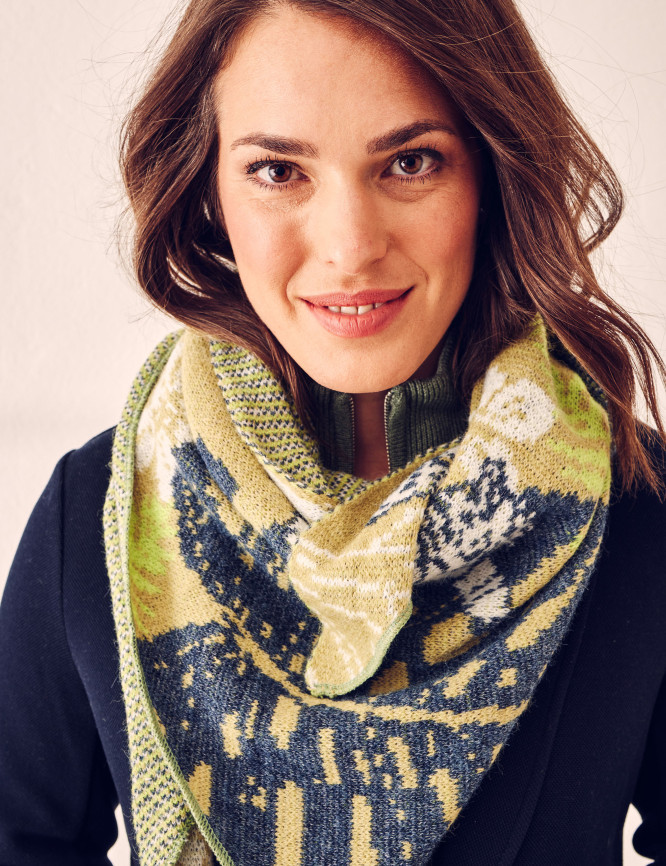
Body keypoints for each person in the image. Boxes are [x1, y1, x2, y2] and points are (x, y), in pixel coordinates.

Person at [1, 0, 665, 864]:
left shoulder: (638, 503)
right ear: (209, 190)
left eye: (411, 162)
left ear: (493, 176)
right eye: (278, 170)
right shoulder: (102, 509)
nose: (350, 247)